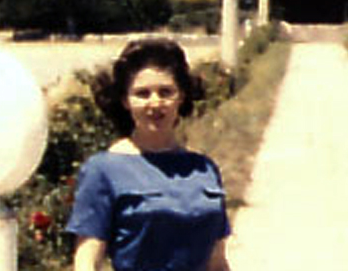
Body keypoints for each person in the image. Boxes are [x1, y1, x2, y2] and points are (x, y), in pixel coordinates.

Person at [67, 38, 231, 271]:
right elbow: (87, 260)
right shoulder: (104, 169)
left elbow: (217, 261)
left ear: (181, 96)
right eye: (142, 94)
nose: (155, 103)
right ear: (125, 101)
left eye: (165, 92)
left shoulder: (204, 168)